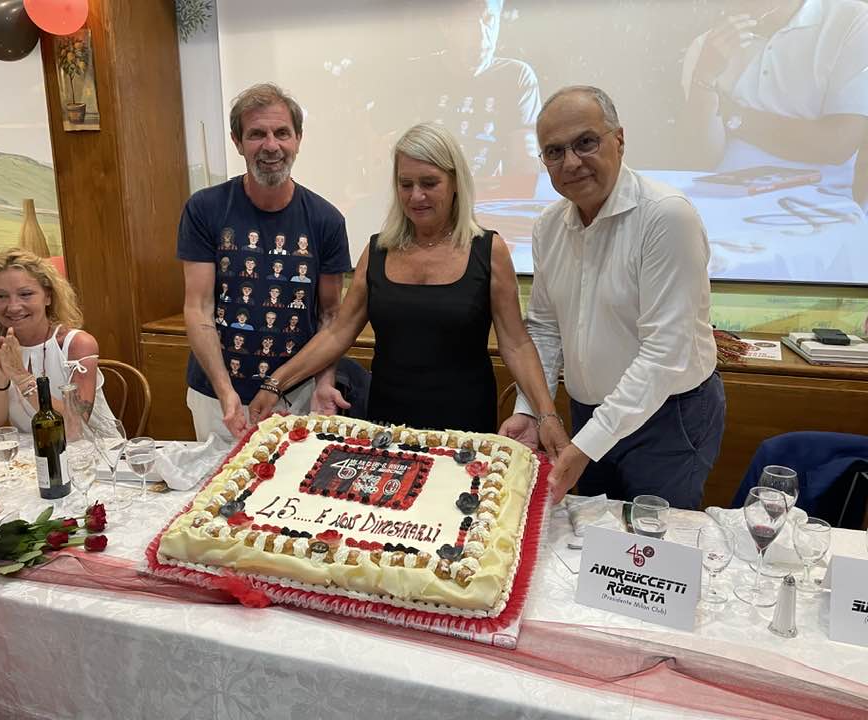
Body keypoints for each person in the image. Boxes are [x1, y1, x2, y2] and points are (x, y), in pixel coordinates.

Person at [249, 122, 567, 454]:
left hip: (465, 426)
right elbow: (336, 334)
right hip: (388, 422)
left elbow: (516, 344)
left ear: (455, 182)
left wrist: (546, 415)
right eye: (406, 184)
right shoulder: (377, 251)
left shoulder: (488, 250)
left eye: (429, 183)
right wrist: (276, 383)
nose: (416, 196)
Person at [500, 86, 725, 510]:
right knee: (592, 538)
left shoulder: (666, 216)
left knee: (652, 543)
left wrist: (587, 444)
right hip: (588, 413)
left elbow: (663, 354)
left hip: (668, 419)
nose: (571, 162)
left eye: (585, 142)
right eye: (554, 151)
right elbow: (545, 330)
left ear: (619, 140)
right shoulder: (548, 225)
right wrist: (532, 411)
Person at [178, 82, 352, 442]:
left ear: (298, 139)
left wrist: (325, 382)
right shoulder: (204, 209)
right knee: (219, 478)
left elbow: (331, 317)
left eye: (282, 133)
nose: (271, 146)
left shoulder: (326, 220)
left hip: (296, 394)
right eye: (257, 134)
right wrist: (225, 391)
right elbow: (198, 308)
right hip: (217, 397)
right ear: (237, 142)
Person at [681, 0, 868, 207]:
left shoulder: (852, 19)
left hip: (816, 205)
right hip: (718, 200)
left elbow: (837, 143)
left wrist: (736, 118)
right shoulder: (707, 48)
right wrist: (705, 76)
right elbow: (700, 161)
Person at [0, 248, 119, 436]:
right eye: (1, 296)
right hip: (32, 451)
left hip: (94, 449)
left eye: (25, 294)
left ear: (48, 296)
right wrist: (0, 379)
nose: (13, 306)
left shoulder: (77, 344)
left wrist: (21, 377)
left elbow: (74, 428)